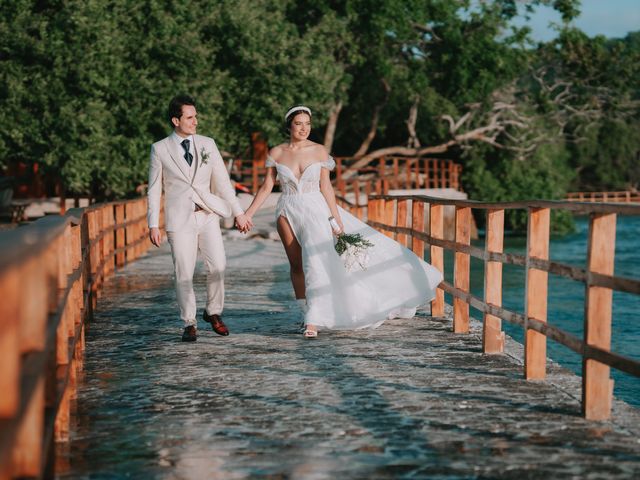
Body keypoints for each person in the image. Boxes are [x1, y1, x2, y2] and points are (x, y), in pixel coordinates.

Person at [240, 105, 443, 338]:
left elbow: (326, 186)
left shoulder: (319, 151)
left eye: (308, 123)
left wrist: (336, 218)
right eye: (299, 123)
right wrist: (248, 214)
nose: (304, 128)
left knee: (314, 263)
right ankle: (304, 312)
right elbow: (267, 187)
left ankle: (313, 321)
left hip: (315, 209)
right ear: (289, 126)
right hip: (287, 209)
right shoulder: (276, 153)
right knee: (296, 265)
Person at [147, 94, 252, 342]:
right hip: (179, 219)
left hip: (207, 215)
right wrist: (153, 223)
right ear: (176, 120)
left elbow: (223, 182)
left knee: (218, 265)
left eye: (196, 116)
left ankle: (213, 312)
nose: (196, 121)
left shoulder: (208, 144)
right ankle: (189, 322)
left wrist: (238, 211)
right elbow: (154, 188)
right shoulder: (159, 149)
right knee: (183, 271)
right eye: (190, 117)